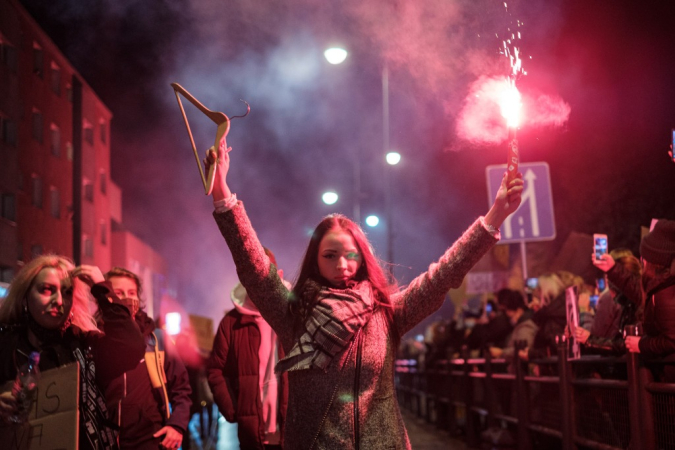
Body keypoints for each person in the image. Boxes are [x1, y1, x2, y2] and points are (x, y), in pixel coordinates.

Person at [204, 135, 523, 449]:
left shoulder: (385, 312)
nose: (342, 264)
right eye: (330, 255)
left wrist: (495, 216)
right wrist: (222, 192)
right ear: (316, 261)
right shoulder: (294, 313)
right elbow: (256, 269)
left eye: (350, 254)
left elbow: (442, 276)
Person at [0, 255, 146, 450]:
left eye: (67, 292)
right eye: (46, 289)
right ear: (25, 296)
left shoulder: (85, 346)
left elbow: (132, 347)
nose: (59, 300)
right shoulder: (5, 346)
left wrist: (101, 288)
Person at [207, 248, 290, 450]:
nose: (258, 282)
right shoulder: (231, 322)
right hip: (252, 434)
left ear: (277, 275)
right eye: (251, 274)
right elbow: (215, 370)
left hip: (293, 430)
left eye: (263, 274)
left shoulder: (294, 314)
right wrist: (233, 409)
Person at [103, 267, 192, 450]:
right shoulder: (95, 338)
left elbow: (182, 389)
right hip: (105, 441)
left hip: (150, 440)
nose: (126, 298)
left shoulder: (158, 339)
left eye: (132, 292)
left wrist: (177, 425)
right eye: (118, 292)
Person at [594, 220, 675, 363]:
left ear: (652, 260)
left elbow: (672, 340)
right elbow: (637, 290)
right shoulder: (660, 286)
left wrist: (640, 345)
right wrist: (613, 269)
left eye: (644, 256)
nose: (641, 260)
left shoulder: (665, 292)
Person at [574, 255, 642, 355]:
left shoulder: (630, 303)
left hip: (624, 367)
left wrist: (584, 312)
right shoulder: (630, 304)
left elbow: (598, 334)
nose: (609, 291)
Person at [489, 289, 537, 372]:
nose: (510, 318)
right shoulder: (521, 324)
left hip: (522, 374)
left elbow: (523, 349)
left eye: (511, 315)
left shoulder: (526, 325)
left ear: (518, 311)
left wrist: (501, 352)